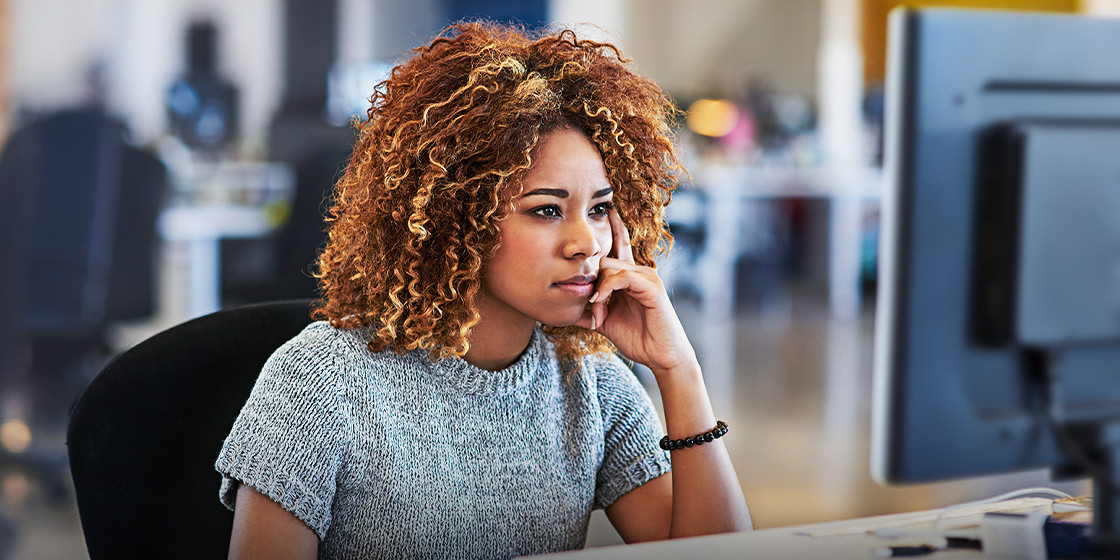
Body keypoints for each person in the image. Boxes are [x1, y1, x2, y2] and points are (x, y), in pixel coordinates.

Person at [216, 21, 752, 560]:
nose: (586, 242)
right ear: (459, 216)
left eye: (599, 209)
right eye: (546, 210)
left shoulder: (592, 383)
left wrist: (678, 370)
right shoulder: (321, 382)